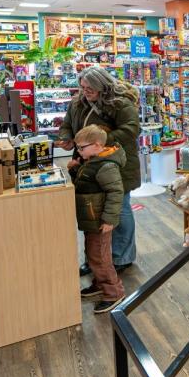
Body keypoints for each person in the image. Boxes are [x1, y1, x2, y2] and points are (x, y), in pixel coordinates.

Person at [58, 66, 141, 274]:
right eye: (82, 87)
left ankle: (121, 257)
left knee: (119, 208)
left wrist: (99, 143)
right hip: (86, 164)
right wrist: (68, 138)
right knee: (92, 212)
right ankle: (96, 259)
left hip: (116, 165)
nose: (85, 91)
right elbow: (67, 124)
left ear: (102, 85)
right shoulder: (78, 102)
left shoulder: (120, 103)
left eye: (90, 88)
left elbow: (131, 130)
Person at [70, 125, 126, 313]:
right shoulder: (93, 161)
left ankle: (114, 292)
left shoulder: (105, 166)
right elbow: (86, 183)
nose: (79, 151)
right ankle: (100, 284)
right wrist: (75, 170)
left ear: (97, 145)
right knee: (93, 254)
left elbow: (116, 193)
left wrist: (109, 220)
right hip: (92, 217)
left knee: (100, 257)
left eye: (81, 147)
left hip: (100, 220)